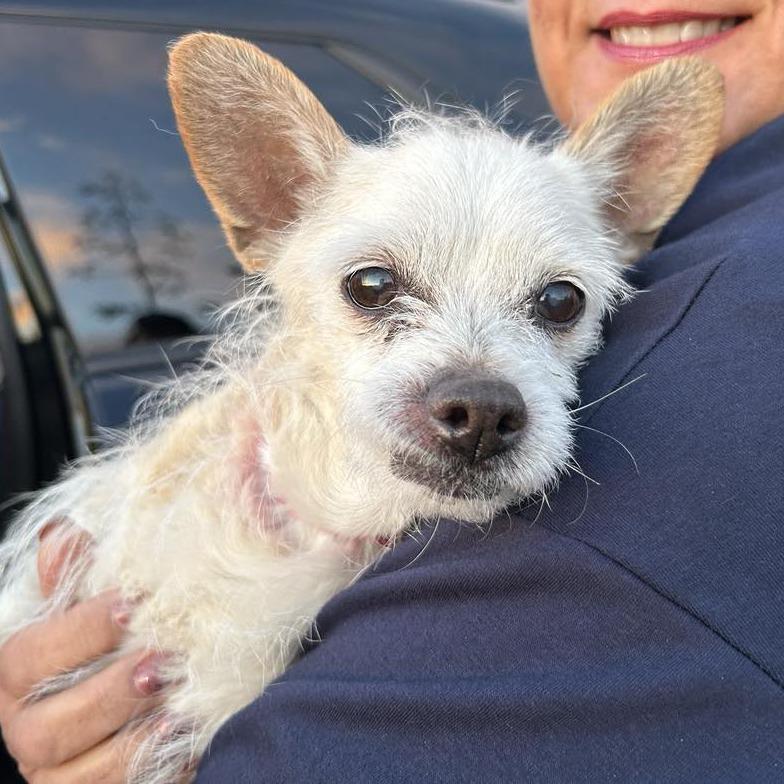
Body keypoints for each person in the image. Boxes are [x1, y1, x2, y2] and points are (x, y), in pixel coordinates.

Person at [2, 1, 783, 781]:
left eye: (555, 305)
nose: (478, 397)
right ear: (272, 212)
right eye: (375, 289)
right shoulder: (137, 552)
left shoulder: (736, 315)